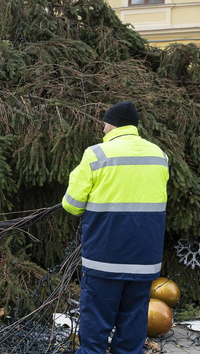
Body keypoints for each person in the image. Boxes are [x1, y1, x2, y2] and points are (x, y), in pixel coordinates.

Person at [62, 101, 169, 354]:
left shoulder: (96, 154)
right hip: (144, 259)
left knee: (95, 322)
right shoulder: (159, 155)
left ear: (112, 124)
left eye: (104, 124)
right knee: (133, 319)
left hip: (105, 257)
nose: (102, 130)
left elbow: (72, 205)